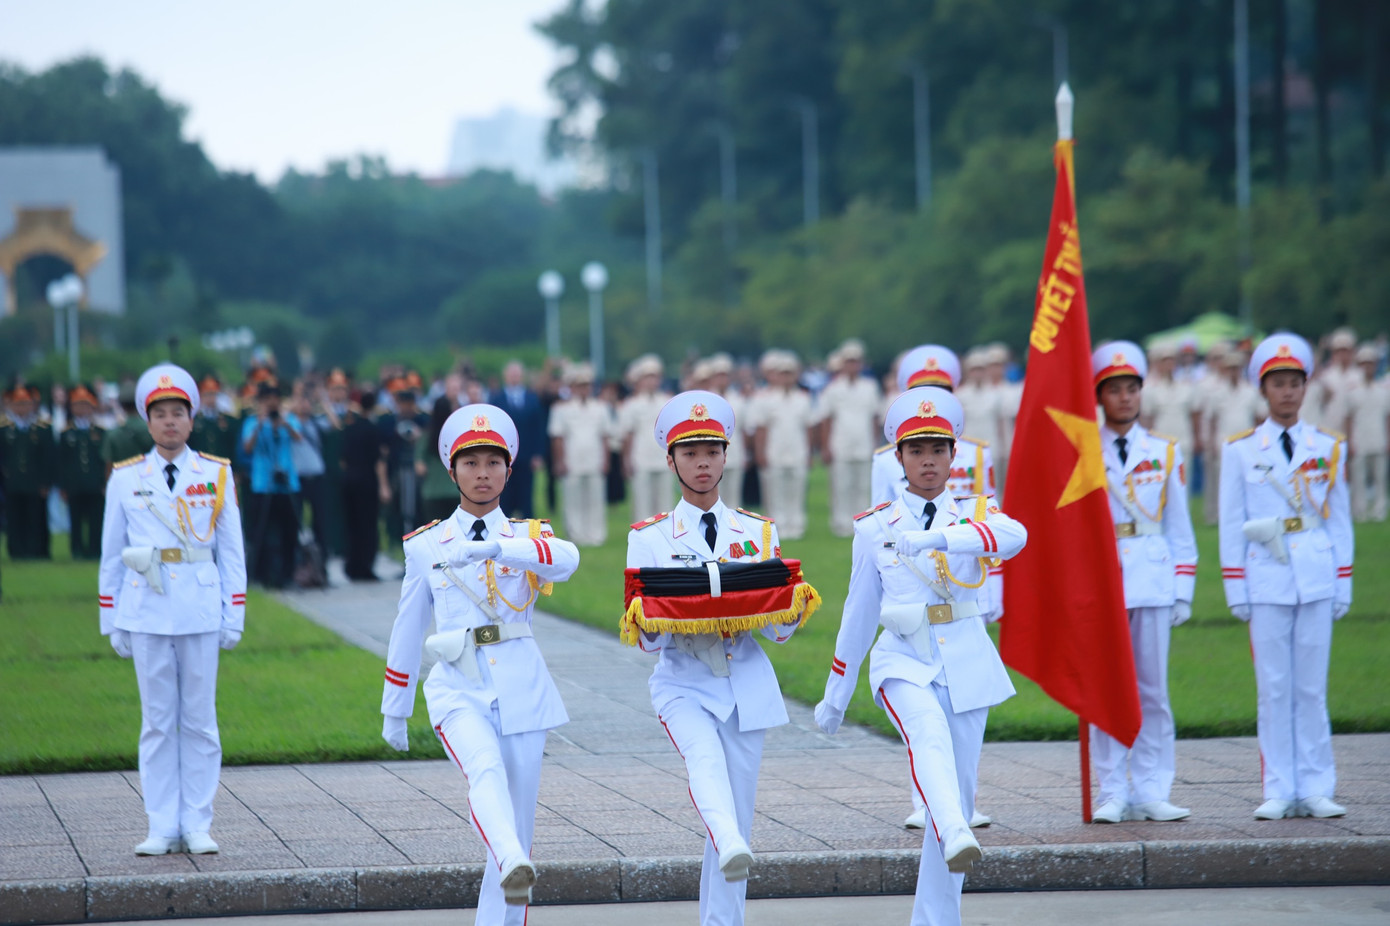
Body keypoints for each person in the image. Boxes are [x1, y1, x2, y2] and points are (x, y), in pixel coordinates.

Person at [815, 386, 1024, 926]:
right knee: (928, 740)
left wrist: (939, 539)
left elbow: (1015, 536)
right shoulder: (875, 526)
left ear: (954, 456)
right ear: (899, 458)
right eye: (916, 451)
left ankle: (936, 917)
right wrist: (837, 694)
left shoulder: (975, 512)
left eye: (937, 450)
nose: (928, 461)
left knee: (957, 792)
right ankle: (954, 826)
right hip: (903, 659)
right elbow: (859, 614)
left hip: (967, 662)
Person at [380, 404, 579, 924]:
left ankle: (508, 874)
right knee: (484, 771)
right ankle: (510, 856)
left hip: (522, 686)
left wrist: (498, 547)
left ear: (509, 470)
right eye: (471, 463)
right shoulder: (426, 544)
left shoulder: (528, 535)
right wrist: (395, 708)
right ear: (452, 471)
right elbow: (408, 626)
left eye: (494, 462)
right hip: (458, 684)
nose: (483, 473)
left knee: (517, 821)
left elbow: (569, 560)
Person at [625, 390, 811, 926]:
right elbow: (649, 641)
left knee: (737, 819)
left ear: (727, 456)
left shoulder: (758, 531)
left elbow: (777, 631)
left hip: (745, 683)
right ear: (671, 461)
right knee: (705, 767)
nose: (702, 463)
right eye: (690, 453)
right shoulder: (650, 538)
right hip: (683, 680)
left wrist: (791, 606)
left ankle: (723, 915)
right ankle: (728, 838)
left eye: (712, 451)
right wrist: (664, 613)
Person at [98, 363, 246, 855]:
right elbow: (111, 554)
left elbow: (232, 552)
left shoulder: (216, 473)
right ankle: (161, 824)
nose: (169, 422)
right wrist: (111, 618)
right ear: (147, 420)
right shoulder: (126, 478)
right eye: (160, 414)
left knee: (200, 720)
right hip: (146, 607)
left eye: (177, 413)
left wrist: (234, 613)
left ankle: (197, 823)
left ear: (191, 418)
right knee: (158, 722)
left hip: (200, 607)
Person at [1219, 333, 1353, 820]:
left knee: (1312, 688)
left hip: (1316, 572)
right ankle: (1278, 787)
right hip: (1267, 576)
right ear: (1263, 389)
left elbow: (1339, 519)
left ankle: (1316, 786)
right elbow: (1232, 522)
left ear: (1306, 386)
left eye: (1295, 382)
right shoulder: (1241, 450)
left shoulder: (1329, 447)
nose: (1287, 392)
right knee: (1274, 688)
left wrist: (1343, 580)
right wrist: (1235, 584)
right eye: (1278, 383)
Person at [871, 344, 1001, 831]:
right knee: (922, 716)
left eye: (941, 391)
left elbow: (990, 524)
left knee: (963, 698)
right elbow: (879, 531)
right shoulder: (886, 461)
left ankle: (961, 800)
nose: (931, 400)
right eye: (922, 391)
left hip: (962, 581)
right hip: (910, 585)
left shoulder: (975, 454)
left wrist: (991, 593)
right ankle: (924, 798)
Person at [1087, 342, 1198, 824]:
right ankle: (1112, 790)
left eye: (1132, 388)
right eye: (1114, 389)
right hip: (1104, 583)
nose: (1125, 397)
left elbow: (1180, 527)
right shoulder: (1084, 453)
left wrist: (1182, 587)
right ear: (1100, 396)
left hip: (1152, 577)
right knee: (1106, 691)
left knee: (1152, 691)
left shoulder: (1164, 451)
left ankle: (1152, 788)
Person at [817, 340, 883, 537]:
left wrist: (875, 444)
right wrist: (825, 446)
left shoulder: (870, 387)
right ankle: (841, 524)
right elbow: (826, 419)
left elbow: (875, 418)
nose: (853, 365)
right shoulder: (833, 388)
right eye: (849, 361)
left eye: (856, 361)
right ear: (842, 363)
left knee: (863, 486)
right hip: (841, 443)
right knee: (841, 486)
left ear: (861, 363)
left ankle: (862, 523)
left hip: (864, 443)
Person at [240, 382, 302, 589]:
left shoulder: (288, 419)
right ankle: (262, 575)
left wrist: (284, 423)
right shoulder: (252, 422)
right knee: (262, 531)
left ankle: (288, 574)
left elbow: (298, 438)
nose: (272, 403)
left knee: (289, 532)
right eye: (268, 400)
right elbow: (247, 448)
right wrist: (260, 424)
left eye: (276, 399)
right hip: (263, 484)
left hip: (287, 483)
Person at [749, 350, 815, 540]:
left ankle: (796, 525)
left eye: (789, 373)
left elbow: (809, 428)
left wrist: (809, 453)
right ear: (776, 375)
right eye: (782, 374)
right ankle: (777, 525)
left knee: (797, 490)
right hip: (774, 451)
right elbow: (761, 428)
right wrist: (760, 453)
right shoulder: (765, 399)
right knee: (774, 491)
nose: (786, 378)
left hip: (798, 451)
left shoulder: (803, 398)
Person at [548, 363, 613, 547]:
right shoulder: (561, 409)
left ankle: (596, 535)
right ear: (572, 387)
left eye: (587, 385)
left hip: (594, 459)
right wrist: (559, 461)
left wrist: (606, 460)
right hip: (572, 460)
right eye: (580, 386)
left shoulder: (601, 407)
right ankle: (575, 534)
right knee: (573, 500)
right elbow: (557, 437)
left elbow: (605, 436)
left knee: (595, 499)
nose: (584, 389)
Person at [1329, 344, 1389, 522]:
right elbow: (1347, 418)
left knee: (1380, 478)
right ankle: (1360, 510)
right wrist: (1349, 442)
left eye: (1371, 363)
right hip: (1359, 440)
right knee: (1359, 479)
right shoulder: (1352, 392)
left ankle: (1379, 510)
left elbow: (1387, 418)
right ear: (1360, 366)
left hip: (1379, 439)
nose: (1368, 367)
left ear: (1375, 365)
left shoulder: (1383, 391)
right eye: (1364, 364)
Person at [618, 354, 674, 522]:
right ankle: (643, 534)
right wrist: (626, 460)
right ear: (640, 380)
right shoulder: (631, 404)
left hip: (663, 458)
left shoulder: (667, 401)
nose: (651, 381)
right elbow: (627, 435)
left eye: (655, 377)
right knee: (642, 505)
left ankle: (666, 533)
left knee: (665, 503)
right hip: (640, 459)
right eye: (647, 377)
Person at [340, 392, 389, 582]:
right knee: (368, 525)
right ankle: (365, 566)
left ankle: (351, 565)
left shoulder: (350, 428)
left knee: (351, 525)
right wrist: (384, 486)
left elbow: (343, 459)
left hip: (349, 481)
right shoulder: (373, 430)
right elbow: (378, 461)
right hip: (367, 482)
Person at [0, 385, 53, 559]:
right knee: (14, 517)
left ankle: (37, 551)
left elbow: (49, 457)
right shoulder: (4, 428)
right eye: (18, 404)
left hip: (36, 482)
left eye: (25, 403)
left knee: (36, 517)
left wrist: (46, 482)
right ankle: (17, 551)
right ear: (11, 405)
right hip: (12, 481)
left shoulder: (43, 428)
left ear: (32, 405)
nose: (22, 407)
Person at [57, 384, 108, 560]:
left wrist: (104, 482)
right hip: (74, 484)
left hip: (95, 483)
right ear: (71, 407)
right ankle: (77, 550)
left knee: (96, 519)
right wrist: (63, 486)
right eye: (78, 405)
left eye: (86, 405)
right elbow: (62, 461)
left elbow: (104, 460)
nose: (82, 409)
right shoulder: (66, 432)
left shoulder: (100, 431)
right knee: (75, 519)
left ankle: (94, 550)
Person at [493, 361, 547, 521]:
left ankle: (528, 529)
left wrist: (538, 454)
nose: (514, 377)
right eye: (511, 374)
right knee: (505, 496)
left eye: (517, 374)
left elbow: (538, 428)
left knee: (526, 497)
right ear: (505, 376)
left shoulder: (532, 398)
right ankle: (504, 527)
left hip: (527, 457)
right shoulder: (496, 399)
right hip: (504, 457)